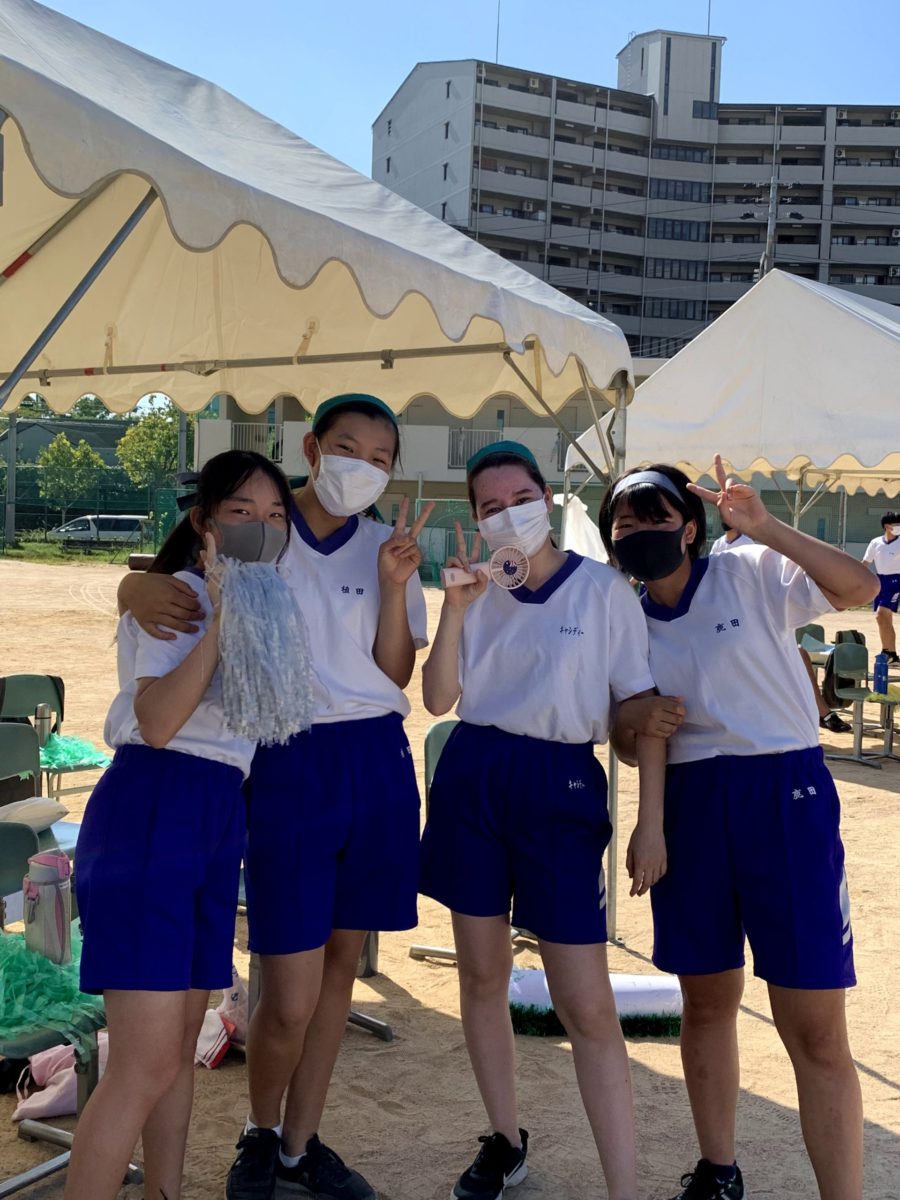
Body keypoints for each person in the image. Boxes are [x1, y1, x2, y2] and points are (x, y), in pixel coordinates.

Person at [118, 394, 431, 1200]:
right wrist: (130, 589)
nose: (363, 467)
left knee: (338, 971)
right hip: (287, 756)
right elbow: (180, 572)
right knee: (287, 990)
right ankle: (259, 1133)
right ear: (313, 448)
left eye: (382, 458)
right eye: (348, 448)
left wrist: (395, 586)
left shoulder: (386, 548)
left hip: (376, 759)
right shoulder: (263, 525)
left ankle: (298, 1144)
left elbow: (396, 674)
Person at [602, 458, 877, 1200]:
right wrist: (636, 743)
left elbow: (860, 589)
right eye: (625, 522)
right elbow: (632, 737)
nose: (641, 533)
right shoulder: (624, 619)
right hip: (690, 807)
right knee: (706, 1002)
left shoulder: (750, 569)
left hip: (783, 793)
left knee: (814, 1026)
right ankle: (719, 1171)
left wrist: (765, 525)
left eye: (657, 517)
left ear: (690, 527)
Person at [419, 441, 667, 1200]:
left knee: (585, 1001)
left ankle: (624, 1188)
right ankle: (505, 1141)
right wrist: (455, 610)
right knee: (481, 974)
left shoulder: (604, 591)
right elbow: (437, 698)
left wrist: (650, 821)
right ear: (475, 518)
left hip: (560, 784)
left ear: (549, 496)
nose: (509, 515)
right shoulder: (474, 590)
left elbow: (641, 710)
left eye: (521, 498)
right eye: (490, 506)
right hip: (475, 773)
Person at [64, 450, 294, 1200]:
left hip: (215, 816)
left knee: (177, 1055)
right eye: (241, 513)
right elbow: (159, 722)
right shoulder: (181, 600)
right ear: (203, 523)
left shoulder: (269, 604)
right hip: (153, 807)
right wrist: (215, 619)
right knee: (143, 1066)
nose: (262, 529)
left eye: (275, 516)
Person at [710, 522, 851, 733]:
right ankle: (820, 713)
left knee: (798, 654)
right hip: (728, 614)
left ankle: (821, 712)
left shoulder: (749, 546)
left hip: (746, 610)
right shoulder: (719, 545)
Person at [863, 510, 900, 663]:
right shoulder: (875, 542)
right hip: (880, 581)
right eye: (896, 524)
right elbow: (865, 562)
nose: (898, 527)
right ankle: (890, 653)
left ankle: (889, 652)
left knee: (881, 613)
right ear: (886, 526)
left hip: (896, 581)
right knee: (883, 619)